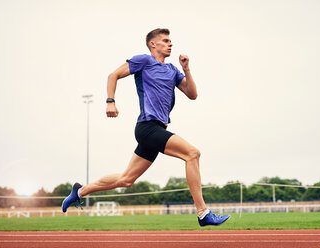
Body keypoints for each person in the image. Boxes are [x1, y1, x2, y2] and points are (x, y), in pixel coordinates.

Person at [62, 28, 230, 226]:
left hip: (158, 129)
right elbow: (113, 75)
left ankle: (80, 191)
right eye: (165, 41)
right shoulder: (144, 60)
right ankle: (203, 213)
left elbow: (192, 94)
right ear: (153, 44)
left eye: (170, 41)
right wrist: (110, 101)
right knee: (192, 154)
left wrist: (186, 69)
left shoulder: (172, 70)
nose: (170, 44)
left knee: (126, 179)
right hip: (148, 127)